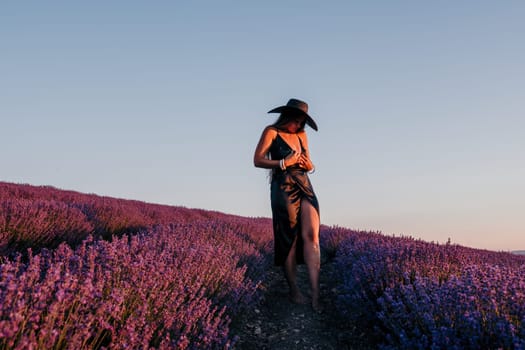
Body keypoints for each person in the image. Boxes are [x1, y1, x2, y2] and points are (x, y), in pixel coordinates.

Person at [253, 98, 322, 312]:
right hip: (282, 187)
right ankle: (294, 290)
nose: (299, 124)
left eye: (303, 121)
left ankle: (315, 293)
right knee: (289, 240)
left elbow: (309, 162)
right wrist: (284, 163)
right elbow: (257, 160)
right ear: (288, 116)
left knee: (312, 236)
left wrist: (310, 165)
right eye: (298, 120)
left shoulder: (302, 135)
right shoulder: (271, 132)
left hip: (304, 184)